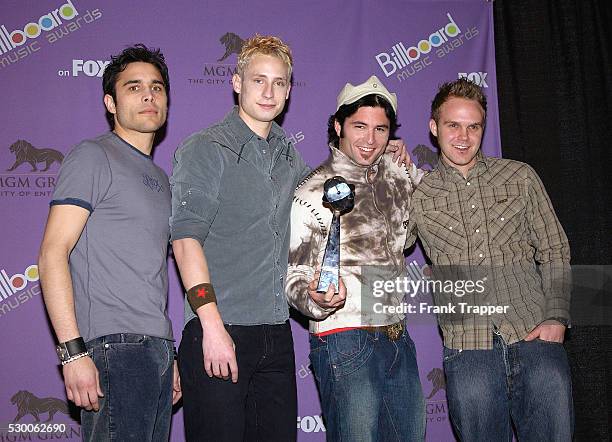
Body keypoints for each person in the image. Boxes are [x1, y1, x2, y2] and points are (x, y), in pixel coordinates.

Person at [170, 35, 408, 441]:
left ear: (289, 90)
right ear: (236, 82)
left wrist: (382, 153)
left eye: (279, 83)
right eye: (258, 80)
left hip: (277, 335)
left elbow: (333, 197)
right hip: (220, 329)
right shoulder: (205, 149)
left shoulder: (288, 156)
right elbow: (185, 239)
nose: (268, 91)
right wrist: (211, 326)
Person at [406, 78, 573, 441]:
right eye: (453, 125)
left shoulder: (519, 176)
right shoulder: (418, 195)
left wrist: (557, 316)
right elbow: (386, 246)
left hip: (534, 338)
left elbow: (555, 248)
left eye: (473, 126)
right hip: (468, 349)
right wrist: (386, 176)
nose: (463, 136)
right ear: (434, 128)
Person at [38, 44, 181, 442]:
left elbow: (151, 276)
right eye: (133, 87)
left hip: (155, 350)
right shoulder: (92, 156)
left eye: (156, 87)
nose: (149, 95)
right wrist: (73, 352)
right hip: (113, 348)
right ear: (110, 102)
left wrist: (168, 355)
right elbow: (53, 253)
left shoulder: (162, 181)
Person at [286, 75, 426, 441]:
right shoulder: (312, 190)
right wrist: (313, 299)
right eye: (360, 126)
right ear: (338, 126)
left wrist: (409, 167)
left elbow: (434, 208)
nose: (370, 139)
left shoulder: (397, 175)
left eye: (381, 129)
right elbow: (295, 276)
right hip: (345, 337)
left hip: (398, 336)